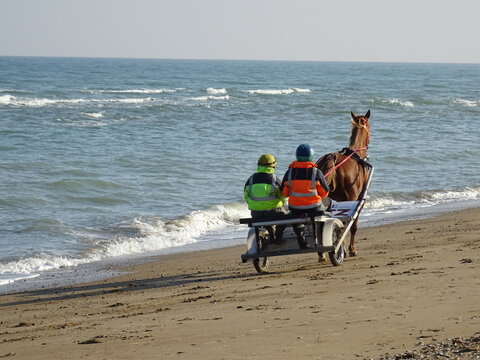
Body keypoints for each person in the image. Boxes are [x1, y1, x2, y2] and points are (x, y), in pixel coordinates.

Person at [281, 144, 331, 249]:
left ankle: (301, 237)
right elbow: (325, 193)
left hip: (295, 208)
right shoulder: (316, 172)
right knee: (329, 203)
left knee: (294, 215)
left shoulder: (289, 172)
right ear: (311, 157)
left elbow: (284, 193)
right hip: (314, 207)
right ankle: (321, 233)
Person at [244, 154, 288, 245]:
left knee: (266, 220)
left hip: (256, 214)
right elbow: (283, 195)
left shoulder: (250, 180)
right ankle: (278, 236)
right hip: (273, 212)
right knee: (286, 216)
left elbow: (246, 197)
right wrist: (282, 203)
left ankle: (269, 235)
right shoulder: (274, 179)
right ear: (273, 166)